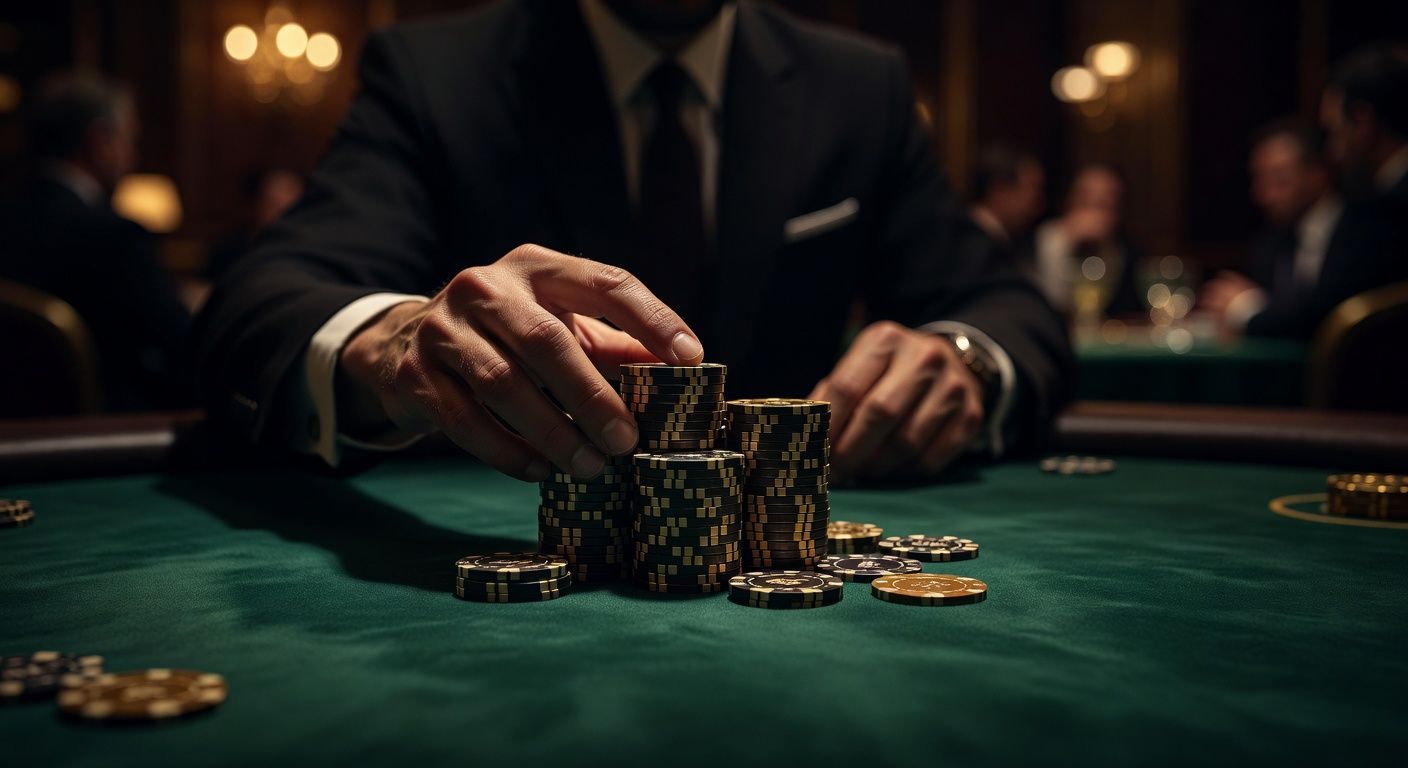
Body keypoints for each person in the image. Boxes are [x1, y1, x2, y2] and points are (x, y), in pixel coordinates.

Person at [195, 0, 1071, 483]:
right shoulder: (431, 74)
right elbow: (263, 297)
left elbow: (1006, 308)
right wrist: (396, 346)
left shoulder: (861, 84)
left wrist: (966, 360)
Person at [0, 73, 192, 411]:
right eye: (130, 142)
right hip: (98, 441)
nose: (132, 158)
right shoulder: (112, 238)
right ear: (101, 142)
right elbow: (183, 345)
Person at [1199, 120, 1388, 339]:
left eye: (1279, 179)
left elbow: (1322, 318)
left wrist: (1247, 308)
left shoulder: (1365, 230)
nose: (1263, 194)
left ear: (1318, 174)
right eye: (1258, 179)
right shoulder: (1271, 241)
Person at [1030, 163, 1142, 318]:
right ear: (1070, 201)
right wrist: (1066, 241)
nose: (1093, 214)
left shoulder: (1126, 250)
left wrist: (1104, 247)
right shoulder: (1044, 237)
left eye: (1104, 204)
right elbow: (1048, 301)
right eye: (1087, 202)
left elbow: (1125, 309)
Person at [206, 169, 306, 282]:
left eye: (291, 207)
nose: (283, 215)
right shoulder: (229, 249)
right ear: (255, 205)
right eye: (273, 206)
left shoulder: (307, 250)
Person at [967, 144, 1045, 251]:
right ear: (1000, 191)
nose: (1038, 201)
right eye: (1032, 187)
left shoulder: (990, 239)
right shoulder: (976, 245)